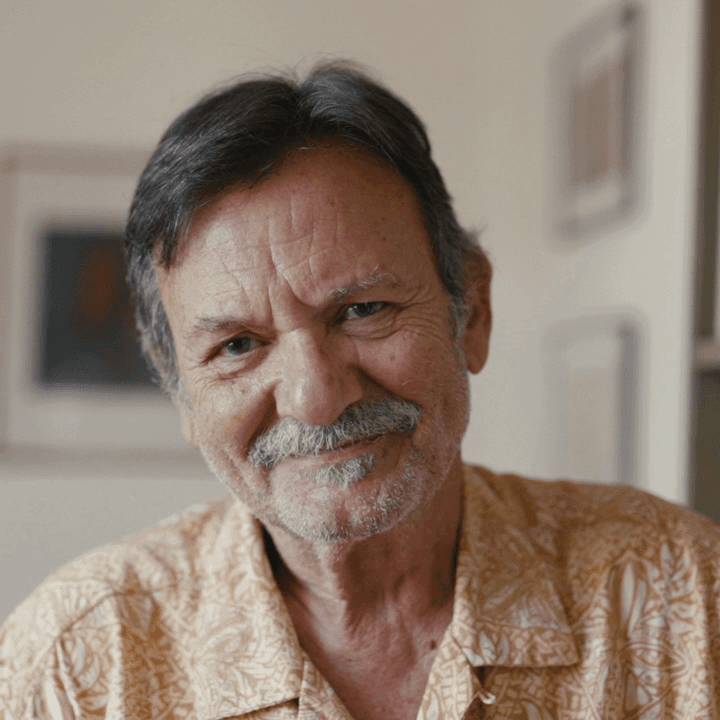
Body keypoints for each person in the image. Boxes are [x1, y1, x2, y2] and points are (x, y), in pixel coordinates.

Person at [1, 62, 719, 720]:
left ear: (472, 310)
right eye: (238, 346)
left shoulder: (683, 595)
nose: (315, 399)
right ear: (179, 391)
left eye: (363, 310)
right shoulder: (72, 666)